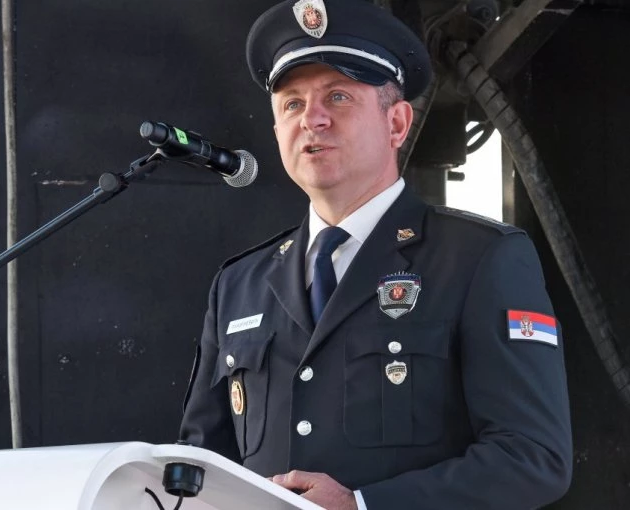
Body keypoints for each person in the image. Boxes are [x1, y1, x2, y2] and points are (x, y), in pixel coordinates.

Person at [179, 1, 573, 508]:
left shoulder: (480, 260)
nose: (312, 119)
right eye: (292, 104)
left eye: (338, 96)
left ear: (397, 123)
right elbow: (198, 469)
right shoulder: (239, 285)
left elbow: (534, 457)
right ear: (276, 130)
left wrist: (363, 504)